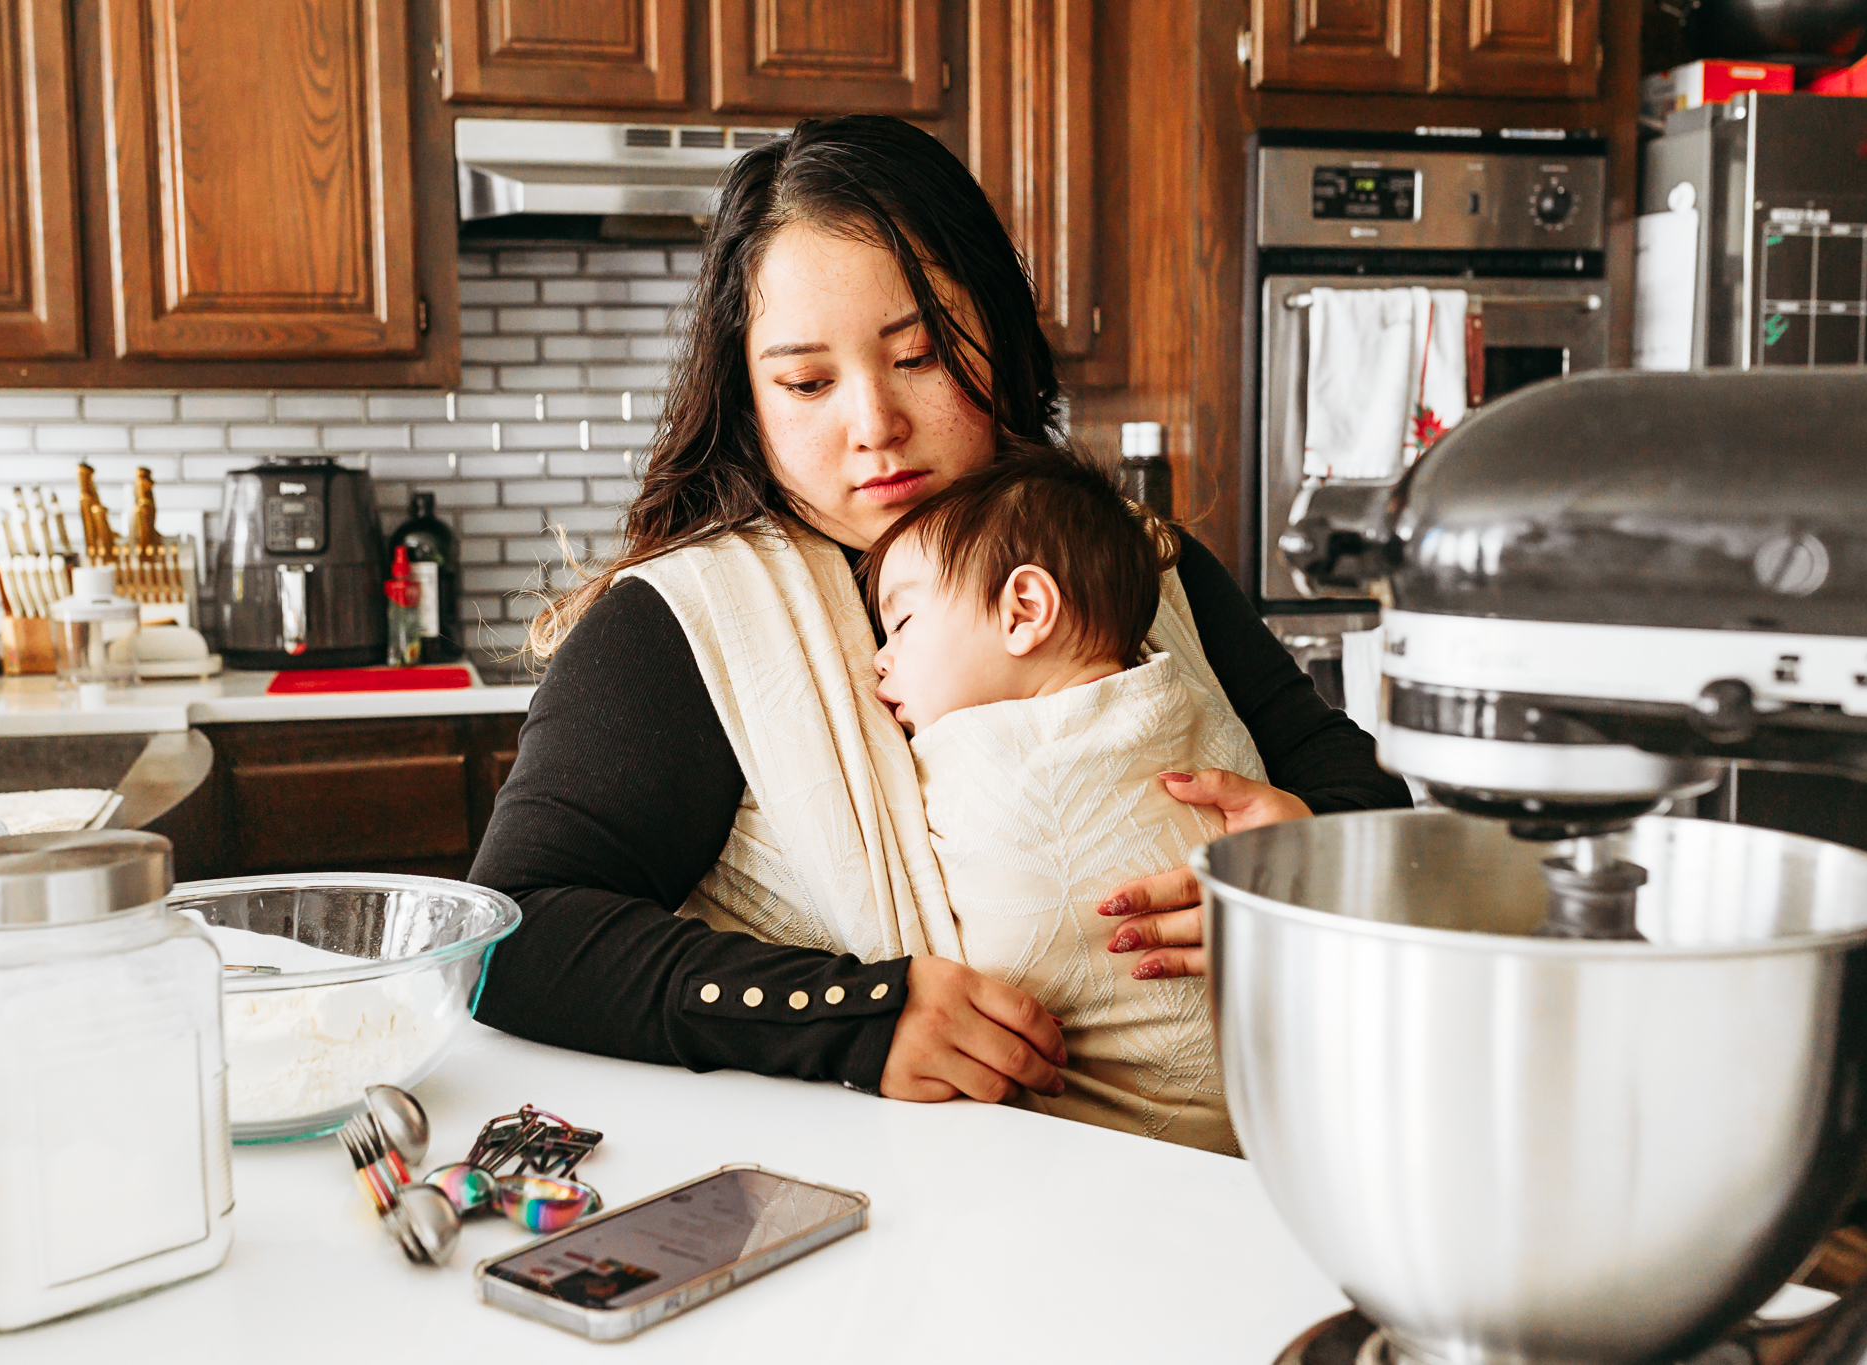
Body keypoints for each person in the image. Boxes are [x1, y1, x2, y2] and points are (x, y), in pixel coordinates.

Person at [469, 114, 1410, 1112]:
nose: (872, 426)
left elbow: (1363, 799)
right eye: (806, 382)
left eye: (918, 356)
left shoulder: (1140, 563)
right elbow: (514, 936)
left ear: (997, 337)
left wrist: (1306, 869)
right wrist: (847, 1015)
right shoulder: (685, 624)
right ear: (749, 399)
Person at [862, 446, 1255, 1152]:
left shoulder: (982, 761)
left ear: (1025, 609)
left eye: (905, 623)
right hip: (1265, 1126)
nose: (878, 659)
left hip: (1122, 1159)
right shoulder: (1189, 699)